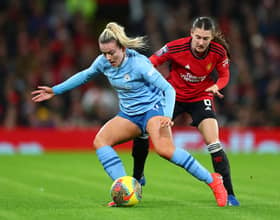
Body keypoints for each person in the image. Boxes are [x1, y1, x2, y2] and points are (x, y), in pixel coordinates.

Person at [31, 22, 227, 207]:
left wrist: (167, 115)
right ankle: (126, 189)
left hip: (154, 110)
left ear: (123, 48)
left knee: (164, 150)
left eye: (111, 53)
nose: (108, 57)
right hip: (130, 115)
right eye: (104, 53)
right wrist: (55, 90)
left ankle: (213, 180)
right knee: (100, 141)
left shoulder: (139, 64)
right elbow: (85, 75)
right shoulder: (103, 62)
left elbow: (169, 90)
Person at [131, 16, 240, 206]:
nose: (201, 42)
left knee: (214, 142)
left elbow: (224, 75)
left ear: (212, 37)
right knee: (143, 130)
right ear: (191, 33)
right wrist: (148, 78)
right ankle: (137, 177)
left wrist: (217, 86)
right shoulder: (175, 47)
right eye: (198, 37)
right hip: (172, 96)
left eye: (206, 38)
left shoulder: (218, 51)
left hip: (201, 96)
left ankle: (230, 195)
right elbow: (151, 61)